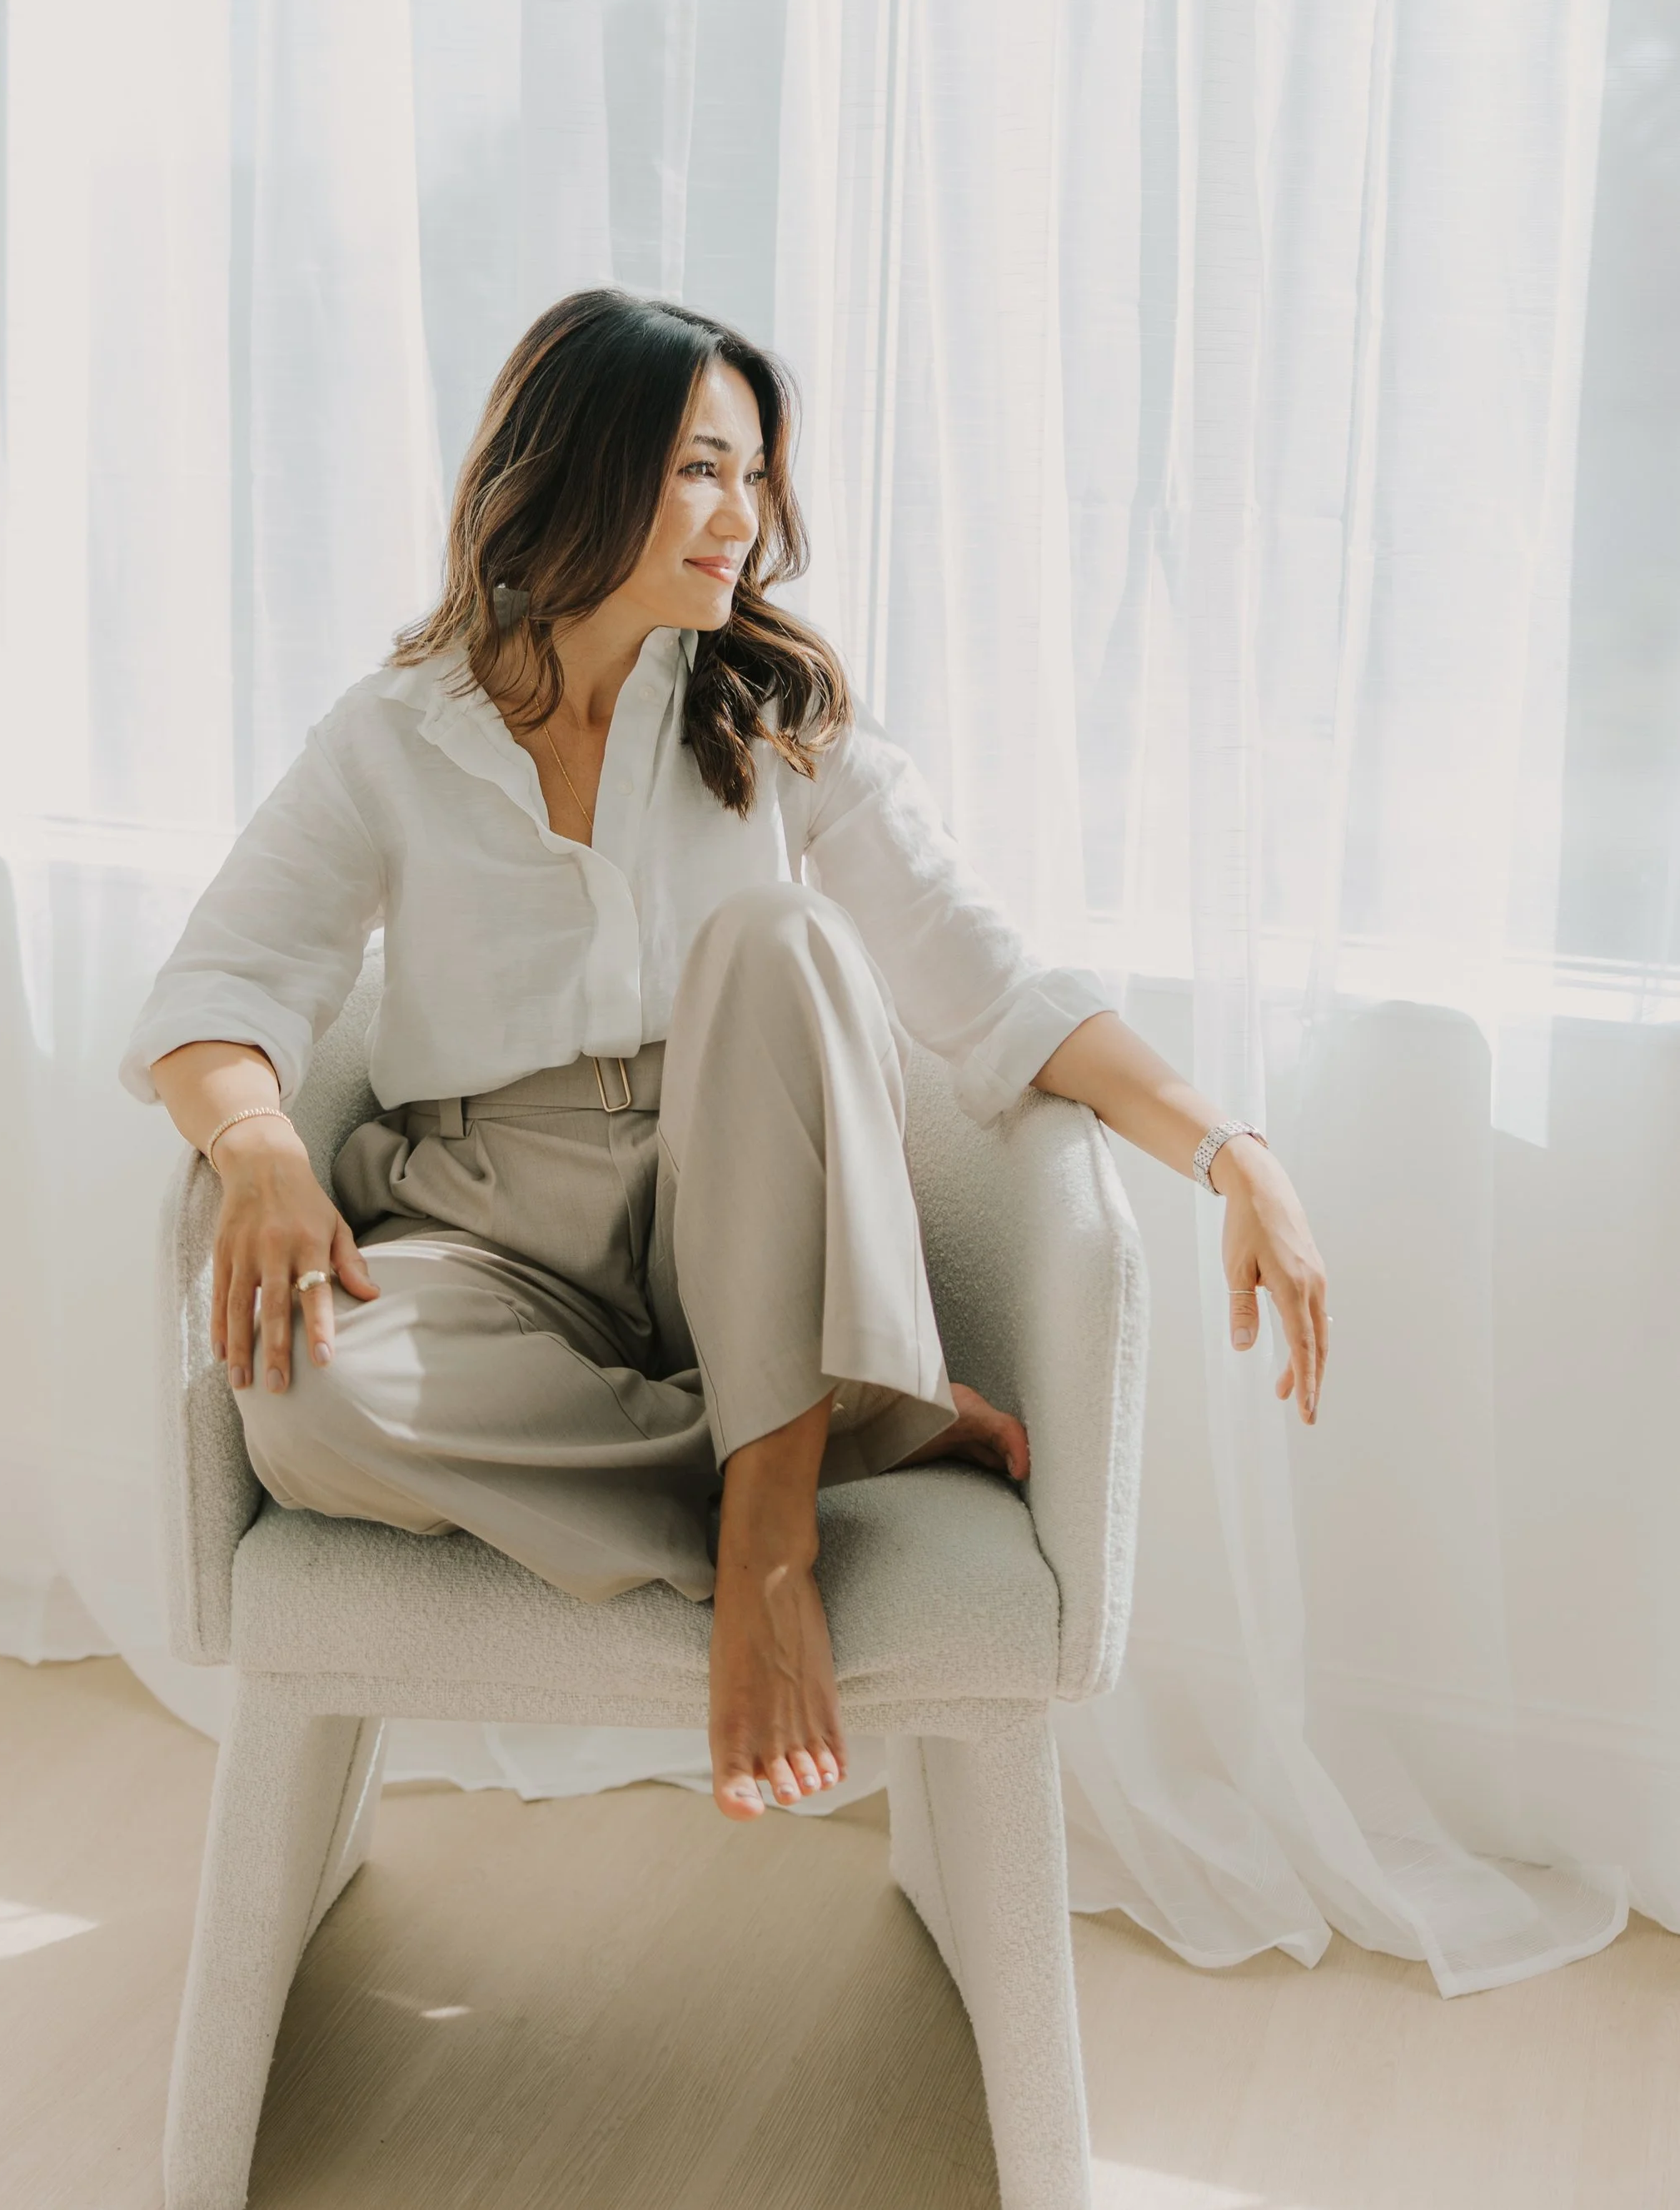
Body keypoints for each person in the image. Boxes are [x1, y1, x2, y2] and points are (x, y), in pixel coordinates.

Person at [122, 288, 1329, 1821]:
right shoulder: (391, 736)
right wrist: (263, 1149)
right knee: (302, 1403)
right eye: (704, 470)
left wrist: (1234, 1151)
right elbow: (219, 986)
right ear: (582, 469)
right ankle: (837, 1424)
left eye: (753, 477)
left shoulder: (777, 715)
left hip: (740, 1209)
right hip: (493, 1229)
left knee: (782, 943)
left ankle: (772, 1541)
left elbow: (995, 986)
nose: (743, 519)